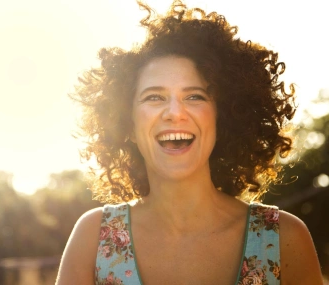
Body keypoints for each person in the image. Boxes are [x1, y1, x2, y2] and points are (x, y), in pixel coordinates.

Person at [56, 1, 323, 284]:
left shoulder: (285, 239)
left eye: (194, 96)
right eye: (154, 97)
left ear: (223, 119)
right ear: (127, 125)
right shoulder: (92, 238)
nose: (174, 113)